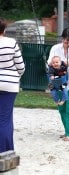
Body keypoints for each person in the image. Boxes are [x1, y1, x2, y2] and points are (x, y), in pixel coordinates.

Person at [48, 28, 69, 141]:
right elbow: (49, 62)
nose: (65, 42)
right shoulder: (55, 48)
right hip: (58, 83)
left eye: (68, 40)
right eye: (64, 39)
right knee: (61, 109)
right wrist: (57, 63)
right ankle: (66, 130)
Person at [0, 17, 25, 153]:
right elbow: (20, 66)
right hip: (9, 85)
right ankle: (5, 150)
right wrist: (14, 76)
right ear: (4, 30)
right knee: (5, 119)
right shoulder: (11, 43)